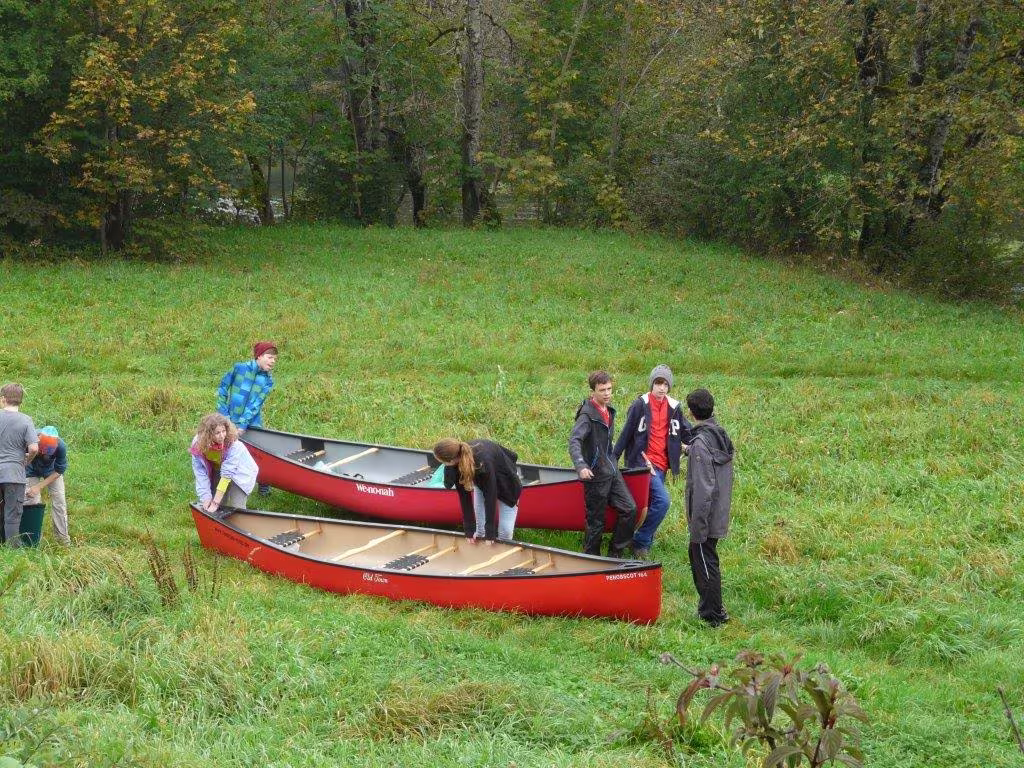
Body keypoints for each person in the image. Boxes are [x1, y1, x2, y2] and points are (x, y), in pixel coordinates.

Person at [613, 364, 692, 559]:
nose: (662, 388)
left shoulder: (674, 407)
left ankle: (633, 539)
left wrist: (700, 443)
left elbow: (687, 431)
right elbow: (626, 433)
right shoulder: (640, 404)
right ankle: (641, 540)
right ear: (652, 384)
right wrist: (612, 459)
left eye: (665, 384)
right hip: (642, 464)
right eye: (658, 383)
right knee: (663, 501)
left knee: (648, 503)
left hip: (662, 465)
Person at [568, 371, 637, 558]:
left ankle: (614, 555)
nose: (607, 393)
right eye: (602, 390)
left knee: (630, 509)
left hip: (612, 470)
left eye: (609, 389)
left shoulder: (609, 411)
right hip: (595, 475)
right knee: (595, 522)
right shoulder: (587, 416)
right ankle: (591, 560)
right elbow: (574, 441)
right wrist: (581, 466)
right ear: (593, 392)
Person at [684, 388, 734, 628]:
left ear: (692, 413)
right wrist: (689, 450)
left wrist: (698, 525)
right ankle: (711, 608)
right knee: (701, 557)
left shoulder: (702, 443)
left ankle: (713, 614)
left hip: (706, 516)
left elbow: (704, 488)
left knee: (704, 560)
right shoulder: (718, 434)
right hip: (720, 510)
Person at [433, 438, 522, 541]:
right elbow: (464, 497)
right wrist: (469, 530)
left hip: (507, 483)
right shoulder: (453, 465)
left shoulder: (483, 462)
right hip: (481, 479)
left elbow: (490, 496)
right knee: (479, 531)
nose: (443, 465)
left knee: (505, 533)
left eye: (443, 462)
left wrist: (490, 533)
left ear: (451, 460)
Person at [217, 341, 277, 493]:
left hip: (252, 423)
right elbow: (223, 388)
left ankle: (264, 487)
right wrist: (225, 417)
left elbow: (256, 404)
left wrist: (242, 426)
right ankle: (220, 488)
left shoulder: (268, 381)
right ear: (259, 356)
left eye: (275, 359)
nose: (273, 361)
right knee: (224, 453)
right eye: (270, 357)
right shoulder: (239, 368)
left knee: (260, 454)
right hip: (228, 420)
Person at [190, 413, 259, 514]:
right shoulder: (198, 443)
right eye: (217, 433)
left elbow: (226, 475)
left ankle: (240, 526)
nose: (222, 436)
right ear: (208, 434)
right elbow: (200, 471)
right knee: (216, 504)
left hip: (239, 472)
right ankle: (217, 527)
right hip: (218, 468)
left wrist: (215, 503)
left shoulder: (234, 445)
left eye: (223, 431)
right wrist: (205, 497)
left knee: (237, 507)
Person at [0, 383, 38, 547]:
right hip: (14, 474)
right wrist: (26, 461)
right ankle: (12, 553)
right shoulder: (26, 420)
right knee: (12, 515)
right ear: (20, 401)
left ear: (3, 399)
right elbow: (34, 448)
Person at [25, 426, 71, 545]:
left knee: (59, 502)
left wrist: (39, 487)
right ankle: (32, 540)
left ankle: (63, 540)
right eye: (41, 450)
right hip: (30, 469)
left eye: (47, 452)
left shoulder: (61, 446)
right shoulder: (29, 438)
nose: (43, 453)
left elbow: (59, 471)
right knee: (32, 501)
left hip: (51, 471)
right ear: (38, 439)